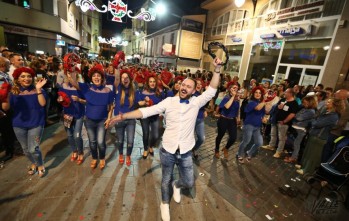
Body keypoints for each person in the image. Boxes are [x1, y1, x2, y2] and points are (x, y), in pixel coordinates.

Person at [108, 58, 222, 221]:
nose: (184, 87)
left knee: (189, 183)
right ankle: (164, 203)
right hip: (167, 151)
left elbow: (212, 90)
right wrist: (122, 116)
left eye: (189, 86)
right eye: (183, 85)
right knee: (165, 180)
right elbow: (145, 112)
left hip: (185, 152)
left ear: (194, 90)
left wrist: (217, 69)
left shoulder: (196, 103)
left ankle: (178, 185)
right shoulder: (169, 102)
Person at [2, 67, 47, 177]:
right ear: (17, 78)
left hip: (36, 123)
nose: (26, 79)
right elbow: (6, 108)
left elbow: (42, 104)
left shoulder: (38, 89)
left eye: (29, 76)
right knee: (26, 150)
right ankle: (33, 163)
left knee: (33, 148)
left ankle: (40, 164)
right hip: (18, 125)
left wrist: (38, 90)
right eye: (23, 76)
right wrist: (6, 95)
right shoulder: (13, 92)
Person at [67, 67, 114, 170]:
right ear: (91, 78)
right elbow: (73, 83)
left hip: (102, 120)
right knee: (92, 141)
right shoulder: (87, 88)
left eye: (98, 76)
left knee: (101, 142)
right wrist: (72, 70)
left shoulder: (108, 91)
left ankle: (102, 158)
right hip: (89, 120)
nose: (96, 77)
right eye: (94, 76)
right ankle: (94, 158)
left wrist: (109, 118)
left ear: (102, 78)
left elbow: (111, 106)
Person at [296, 98, 344, 175]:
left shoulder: (333, 116)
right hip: (315, 134)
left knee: (313, 155)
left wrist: (314, 121)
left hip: (320, 137)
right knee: (308, 152)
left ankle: (307, 170)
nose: (326, 103)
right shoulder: (326, 112)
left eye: (329, 102)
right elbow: (316, 118)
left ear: (335, 105)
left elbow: (316, 123)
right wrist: (315, 120)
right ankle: (303, 166)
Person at [113, 69, 141, 166]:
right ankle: (121, 154)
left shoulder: (134, 91)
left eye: (127, 77)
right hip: (119, 118)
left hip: (130, 120)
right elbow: (116, 78)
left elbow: (139, 102)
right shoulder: (118, 88)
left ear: (130, 79)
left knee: (130, 141)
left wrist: (146, 101)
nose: (125, 79)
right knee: (120, 140)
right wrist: (117, 67)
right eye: (123, 77)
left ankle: (128, 155)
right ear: (120, 79)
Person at [57, 71, 86, 165]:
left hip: (79, 114)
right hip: (67, 114)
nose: (70, 76)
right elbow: (59, 98)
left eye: (73, 74)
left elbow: (87, 101)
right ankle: (74, 151)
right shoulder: (63, 87)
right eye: (68, 74)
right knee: (69, 135)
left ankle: (81, 152)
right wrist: (59, 100)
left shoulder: (81, 86)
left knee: (77, 135)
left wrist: (79, 100)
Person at [262, 88, 299, 158]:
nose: (284, 93)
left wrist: (284, 121)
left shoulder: (294, 103)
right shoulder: (282, 100)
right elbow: (276, 107)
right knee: (273, 134)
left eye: (286, 92)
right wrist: (279, 107)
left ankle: (279, 151)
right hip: (275, 120)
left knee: (281, 138)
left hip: (283, 123)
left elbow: (292, 114)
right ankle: (271, 145)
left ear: (290, 94)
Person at [284, 96, 317, 163]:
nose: (303, 104)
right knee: (294, 143)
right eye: (303, 102)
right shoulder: (304, 108)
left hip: (301, 130)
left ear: (310, 103)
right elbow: (297, 115)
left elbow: (299, 117)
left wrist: (295, 116)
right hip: (297, 128)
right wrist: (296, 116)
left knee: (297, 144)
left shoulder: (311, 111)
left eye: (305, 103)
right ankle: (293, 156)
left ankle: (293, 158)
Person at [237, 86, 266, 163]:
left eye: (260, 93)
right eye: (256, 92)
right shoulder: (250, 102)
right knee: (246, 141)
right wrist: (264, 101)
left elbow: (263, 112)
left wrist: (263, 117)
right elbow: (257, 108)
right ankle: (239, 154)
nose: (258, 94)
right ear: (253, 94)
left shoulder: (261, 103)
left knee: (259, 143)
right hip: (249, 125)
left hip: (257, 126)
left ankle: (249, 152)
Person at [214, 81, 240, 160]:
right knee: (220, 136)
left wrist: (238, 117)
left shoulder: (237, 99)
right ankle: (217, 149)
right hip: (223, 119)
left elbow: (238, 109)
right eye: (234, 88)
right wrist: (233, 97)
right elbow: (227, 106)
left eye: (237, 88)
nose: (235, 90)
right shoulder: (226, 97)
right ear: (230, 89)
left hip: (232, 120)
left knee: (233, 137)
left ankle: (226, 148)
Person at [139, 74, 163, 159]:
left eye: (154, 82)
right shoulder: (143, 92)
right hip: (145, 116)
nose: (152, 83)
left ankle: (150, 146)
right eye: (150, 82)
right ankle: (146, 149)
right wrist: (144, 102)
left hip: (155, 116)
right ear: (148, 83)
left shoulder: (160, 92)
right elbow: (139, 104)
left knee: (156, 135)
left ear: (156, 83)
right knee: (146, 133)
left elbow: (162, 103)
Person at [0, 57, 16, 161]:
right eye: (8, 64)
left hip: (9, 105)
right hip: (3, 107)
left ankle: (11, 148)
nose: (10, 66)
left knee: (9, 129)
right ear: (2, 65)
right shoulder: (1, 78)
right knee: (6, 130)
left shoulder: (4, 75)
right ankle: (9, 150)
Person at [192, 78, 207, 159]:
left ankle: (194, 149)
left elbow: (201, 105)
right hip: (191, 119)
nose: (199, 85)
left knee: (201, 138)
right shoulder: (192, 94)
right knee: (189, 137)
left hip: (200, 119)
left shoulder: (201, 95)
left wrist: (204, 110)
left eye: (200, 84)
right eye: (197, 83)